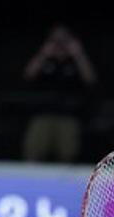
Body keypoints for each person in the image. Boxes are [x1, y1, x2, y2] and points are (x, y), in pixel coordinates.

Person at [22, 25, 97, 163]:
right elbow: (28, 75)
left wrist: (78, 54)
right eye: (55, 40)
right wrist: (43, 54)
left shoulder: (75, 61)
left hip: (68, 115)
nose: (60, 43)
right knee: (33, 152)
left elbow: (90, 80)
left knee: (68, 155)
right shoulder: (45, 60)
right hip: (43, 113)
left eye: (63, 39)